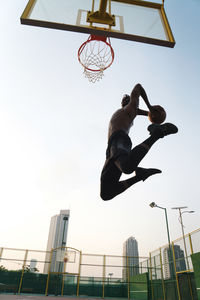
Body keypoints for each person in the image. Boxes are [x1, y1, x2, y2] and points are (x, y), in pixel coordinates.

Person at [100, 83, 178, 201]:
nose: (127, 99)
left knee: (127, 167)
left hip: (119, 139)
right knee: (106, 193)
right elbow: (142, 112)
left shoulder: (131, 106)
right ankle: (140, 175)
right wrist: (150, 112)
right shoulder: (127, 110)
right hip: (111, 149)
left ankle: (158, 134)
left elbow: (138, 87)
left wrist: (151, 107)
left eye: (129, 98)